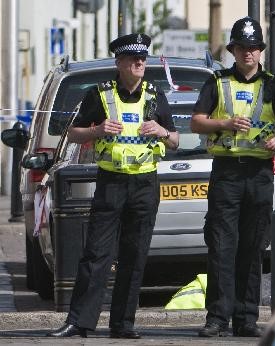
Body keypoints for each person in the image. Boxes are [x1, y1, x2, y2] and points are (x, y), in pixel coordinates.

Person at [47, 33, 179, 339]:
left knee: (135, 255)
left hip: (145, 183)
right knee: (96, 254)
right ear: (119, 63)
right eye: (133, 59)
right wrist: (96, 128)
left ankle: (123, 324)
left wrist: (161, 130)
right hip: (112, 182)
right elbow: (74, 134)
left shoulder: (155, 95)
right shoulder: (100, 95)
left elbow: (174, 141)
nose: (140, 63)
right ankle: (79, 322)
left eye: (143, 58)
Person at [191, 17, 275, 338]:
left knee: (252, 248)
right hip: (226, 173)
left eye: (253, 48)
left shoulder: (274, 84)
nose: (248, 54)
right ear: (233, 50)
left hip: (258, 174)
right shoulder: (217, 82)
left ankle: (245, 318)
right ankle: (217, 318)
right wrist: (225, 124)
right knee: (222, 247)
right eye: (242, 48)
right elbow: (197, 123)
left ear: (260, 51)